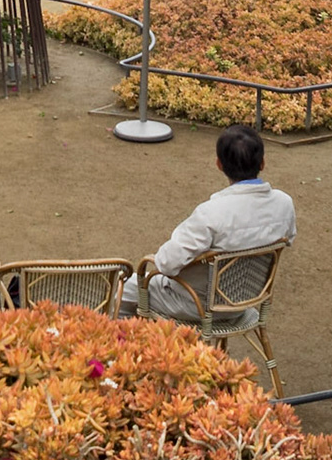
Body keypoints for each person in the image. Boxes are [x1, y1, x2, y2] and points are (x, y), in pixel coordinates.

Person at [120, 125, 295, 322]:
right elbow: (288, 239)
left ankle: (130, 346)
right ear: (262, 163)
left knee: (122, 289)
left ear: (219, 164)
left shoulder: (211, 214)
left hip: (198, 305)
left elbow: (166, 264)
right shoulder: (284, 204)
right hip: (247, 302)